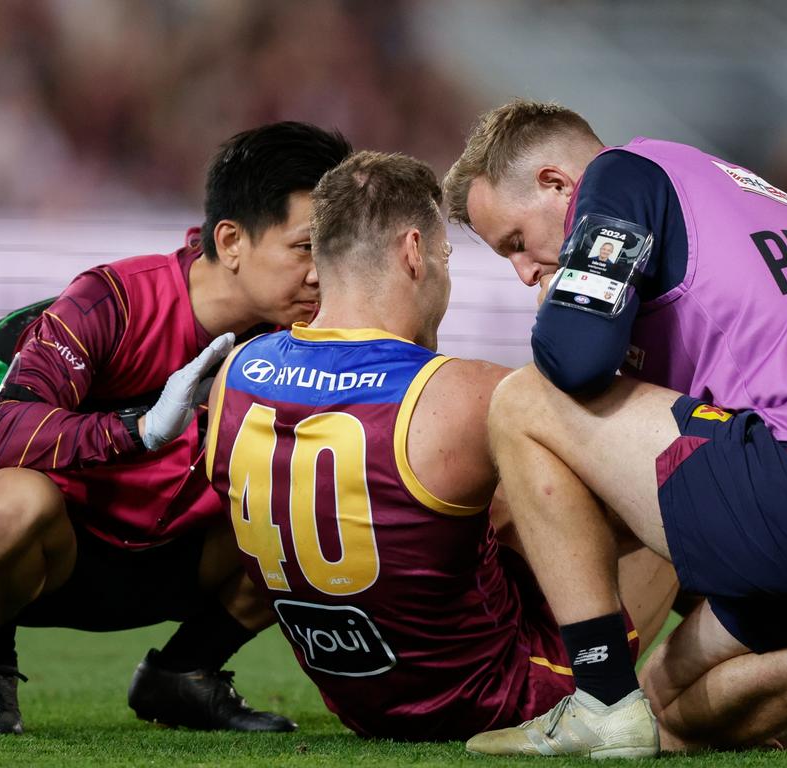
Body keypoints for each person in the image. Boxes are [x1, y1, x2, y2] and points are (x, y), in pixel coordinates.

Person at [442, 100, 787, 759]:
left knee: (522, 403)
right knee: (667, 718)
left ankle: (598, 698)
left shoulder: (618, 174)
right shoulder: (735, 190)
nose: (522, 270)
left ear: (556, 182)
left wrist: (555, 306)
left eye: (515, 241)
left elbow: (575, 355)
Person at [204, 150, 680, 740]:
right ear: (413, 252)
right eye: (446, 255)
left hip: (358, 702)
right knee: (674, 485)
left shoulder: (238, 371)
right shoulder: (465, 394)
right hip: (500, 696)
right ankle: (731, 676)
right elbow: (604, 497)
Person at [0, 122, 352, 735]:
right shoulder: (111, 299)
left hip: (181, 560)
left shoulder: (320, 334)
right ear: (232, 240)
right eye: (305, 248)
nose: (324, 273)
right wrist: (141, 430)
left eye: (336, 251)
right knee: (4, 507)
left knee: (337, 500)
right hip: (59, 558)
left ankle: (184, 674)